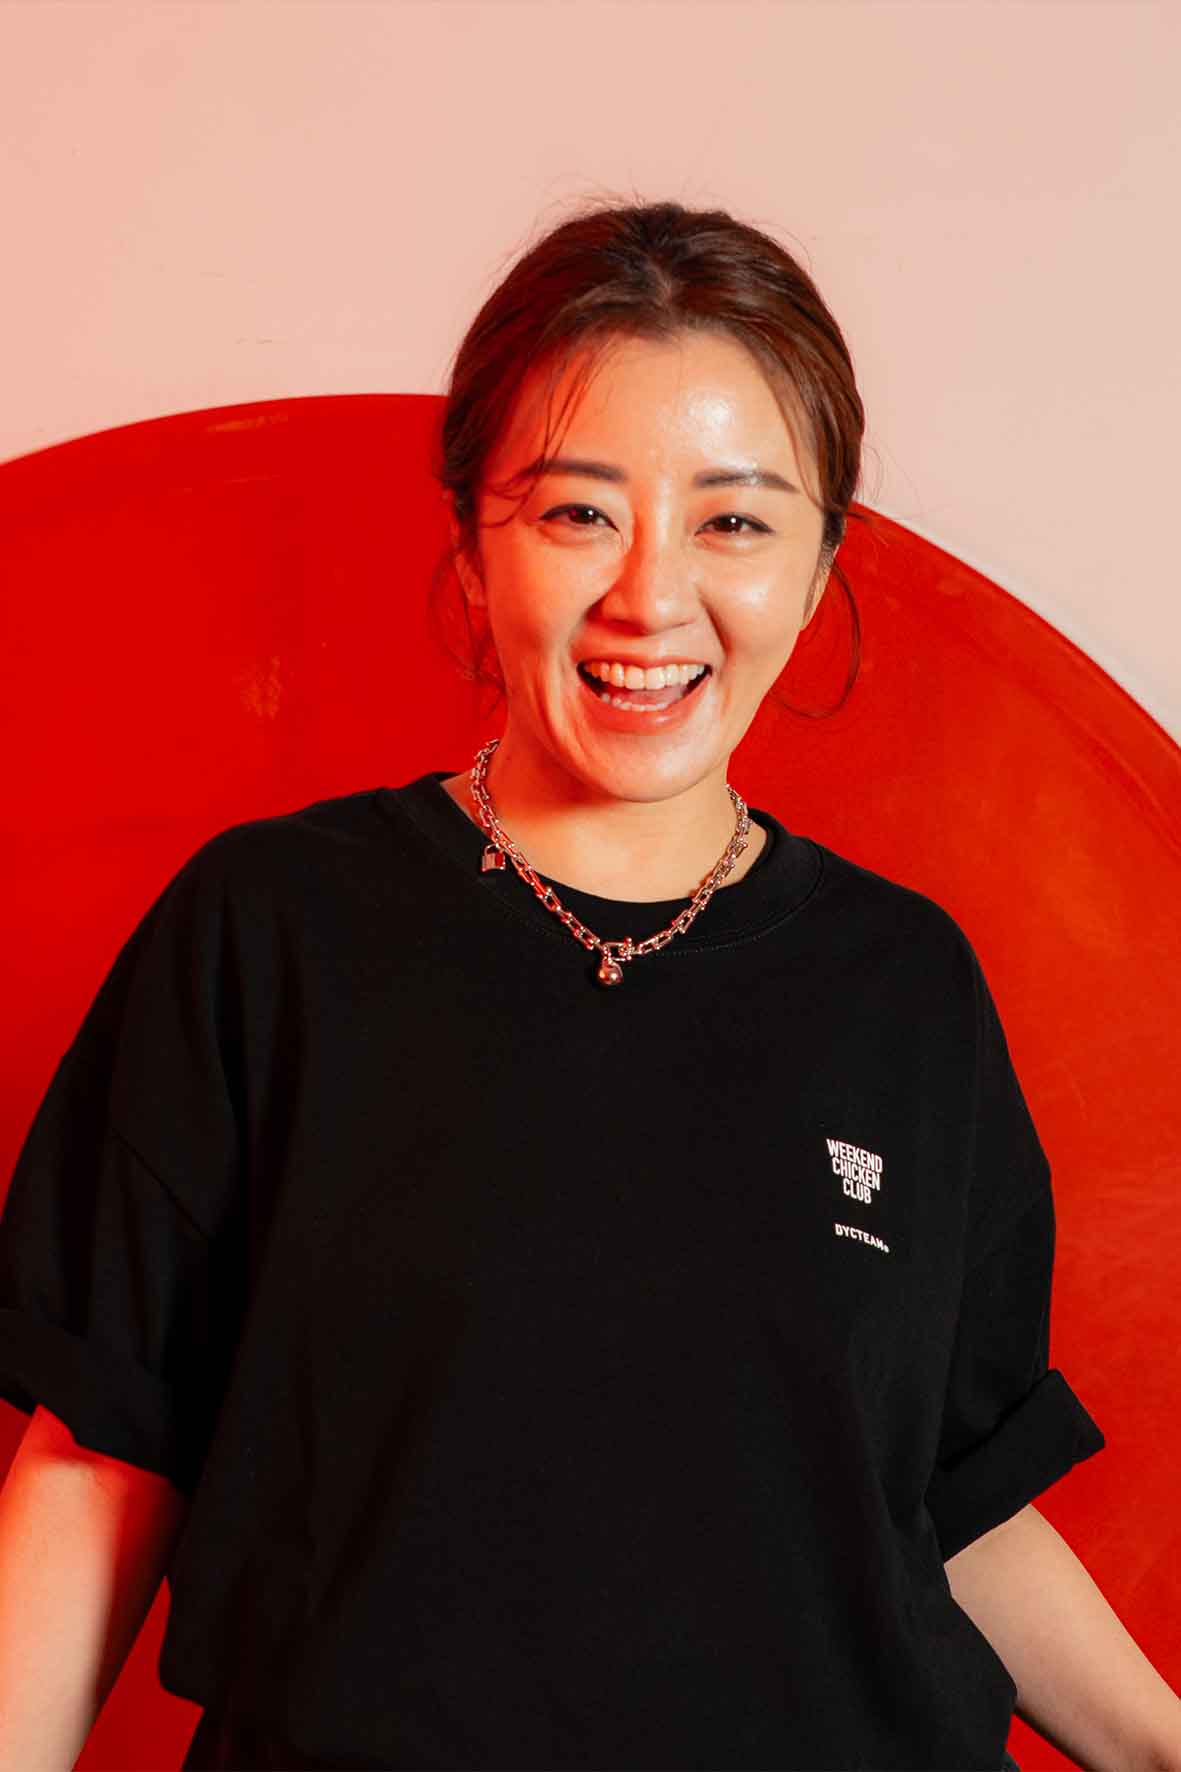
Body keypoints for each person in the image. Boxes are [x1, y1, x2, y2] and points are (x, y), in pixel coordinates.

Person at [0, 196, 1178, 1772]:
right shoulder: (270, 932)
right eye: (577, 513)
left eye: (734, 522)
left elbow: (942, 1497)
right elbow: (100, 1460)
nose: (650, 598)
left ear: (820, 564)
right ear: (472, 539)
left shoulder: (903, 983)